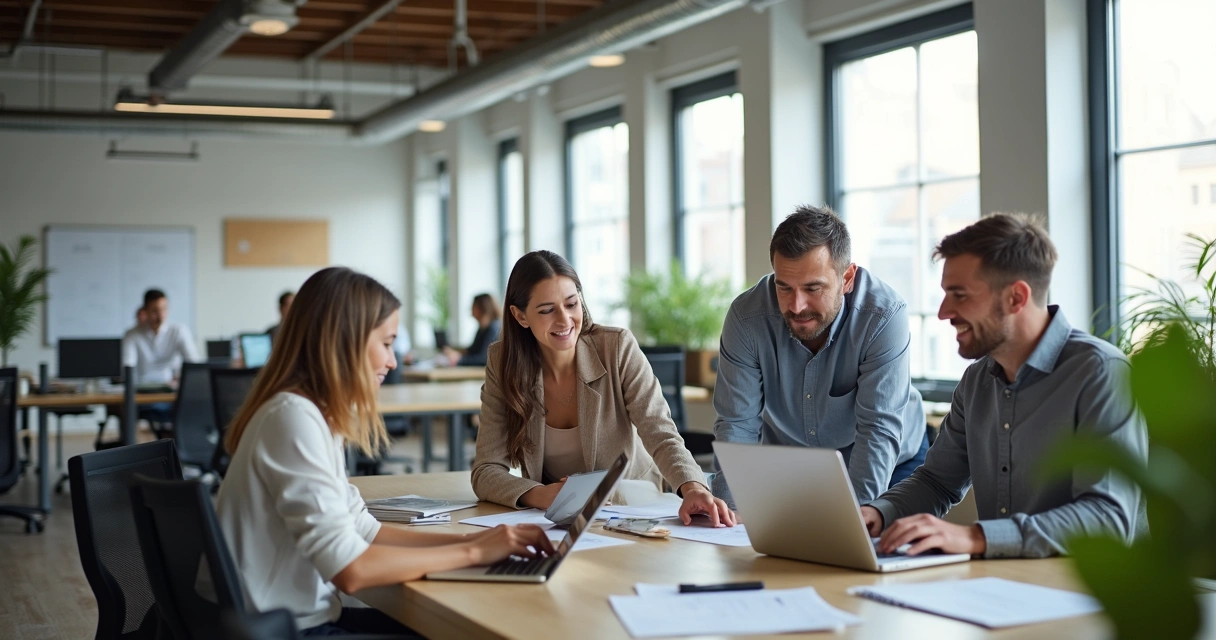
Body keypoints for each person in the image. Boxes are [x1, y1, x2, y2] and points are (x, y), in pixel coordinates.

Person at [215, 267, 554, 635]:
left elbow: (363, 529)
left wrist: (474, 540)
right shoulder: (293, 420)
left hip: (295, 620)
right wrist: (474, 555)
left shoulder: (311, 416)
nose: (392, 362)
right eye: (387, 343)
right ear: (347, 340)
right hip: (285, 630)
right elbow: (352, 570)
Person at [860, 214, 1148, 559]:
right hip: (1003, 584)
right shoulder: (977, 381)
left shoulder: (1101, 373)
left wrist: (976, 538)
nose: (943, 312)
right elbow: (937, 481)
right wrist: (877, 513)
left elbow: (1108, 518)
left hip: (1095, 593)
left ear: (1016, 297)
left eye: (959, 295)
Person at [472, 250, 735, 527]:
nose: (564, 320)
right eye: (547, 310)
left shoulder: (617, 347)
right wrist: (541, 495)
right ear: (520, 316)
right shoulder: (503, 362)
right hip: (555, 522)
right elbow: (486, 470)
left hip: (631, 507)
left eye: (571, 304)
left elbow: (660, 431)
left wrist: (693, 487)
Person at [711, 206, 928, 508]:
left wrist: (860, 521)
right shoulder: (748, 317)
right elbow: (737, 425)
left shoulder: (882, 316)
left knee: (871, 552)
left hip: (891, 465)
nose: (797, 306)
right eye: (784, 287)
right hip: (796, 467)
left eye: (813, 288)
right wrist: (727, 516)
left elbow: (877, 430)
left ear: (847, 277)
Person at [121, 289, 199, 385]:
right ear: (145, 311)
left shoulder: (178, 331)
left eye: (164, 309)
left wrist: (181, 378)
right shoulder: (132, 334)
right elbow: (127, 366)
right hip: (141, 390)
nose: (161, 316)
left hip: (172, 388)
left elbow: (194, 362)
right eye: (155, 311)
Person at [441, 293, 502, 366]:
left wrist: (460, 359)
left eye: (473, 306)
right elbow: (472, 350)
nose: (470, 309)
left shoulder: (493, 329)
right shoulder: (482, 328)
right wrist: (456, 353)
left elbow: (483, 359)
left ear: (481, 307)